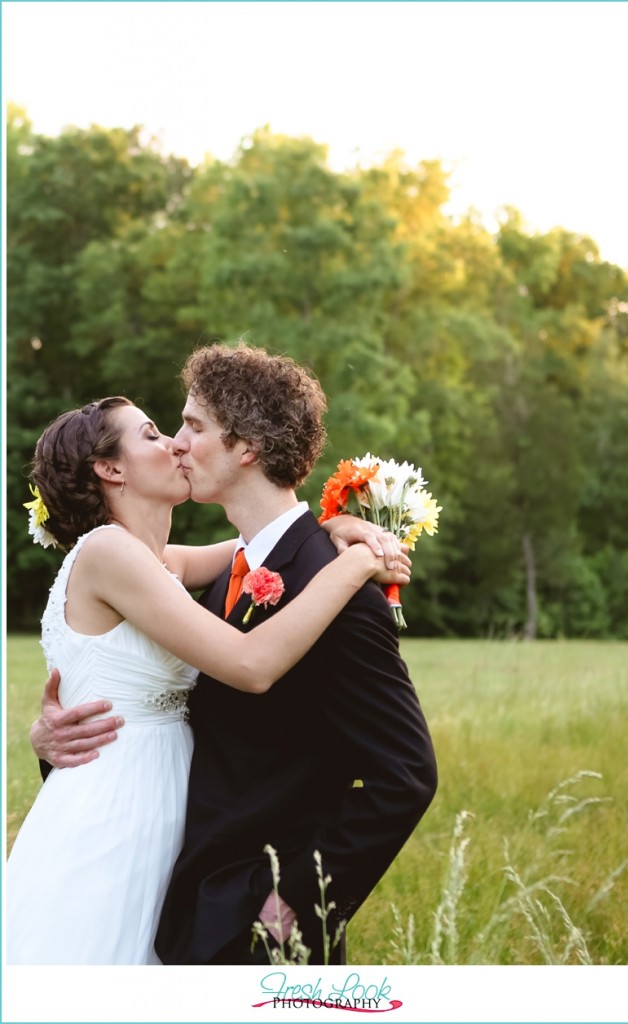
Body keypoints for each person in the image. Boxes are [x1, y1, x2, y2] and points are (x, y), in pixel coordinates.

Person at [31, 344, 438, 966]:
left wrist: (287, 913)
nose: (176, 443)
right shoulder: (205, 574)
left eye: (190, 426)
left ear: (245, 448)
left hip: (259, 917)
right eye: (163, 431)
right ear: (109, 470)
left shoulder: (335, 593)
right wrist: (52, 740)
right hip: (165, 879)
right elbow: (241, 668)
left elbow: (403, 778)